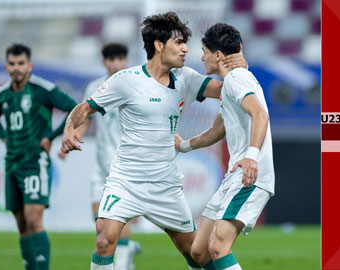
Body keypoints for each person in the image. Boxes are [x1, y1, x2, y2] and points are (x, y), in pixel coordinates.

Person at [60, 12, 246, 270]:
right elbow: (86, 108)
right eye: (179, 42)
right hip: (125, 181)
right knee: (104, 240)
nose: (184, 49)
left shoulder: (186, 79)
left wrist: (237, 72)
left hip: (165, 185)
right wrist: (70, 128)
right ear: (159, 45)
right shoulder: (127, 81)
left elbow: (226, 89)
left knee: (195, 254)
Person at [175, 23, 275, 270]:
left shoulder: (236, 79)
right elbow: (216, 131)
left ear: (218, 55)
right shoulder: (232, 84)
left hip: (250, 175)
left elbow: (260, 115)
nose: (201, 57)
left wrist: (252, 156)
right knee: (198, 252)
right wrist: (183, 145)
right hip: (235, 176)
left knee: (218, 246)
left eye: (204, 50)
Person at [0, 44, 77, 270]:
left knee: (34, 220)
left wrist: (51, 137)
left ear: (30, 66)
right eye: (12, 64)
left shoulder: (42, 90)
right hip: (12, 165)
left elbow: (72, 108)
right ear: (6, 66)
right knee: (21, 224)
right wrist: (3, 136)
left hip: (35, 162)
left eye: (21, 64)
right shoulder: (2, 95)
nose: (16, 68)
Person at [59, 42, 141, 270]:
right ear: (104, 62)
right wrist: (72, 138)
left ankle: (124, 263)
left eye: (120, 59)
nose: (116, 64)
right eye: (111, 59)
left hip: (126, 166)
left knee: (119, 218)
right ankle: (128, 250)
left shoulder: (136, 85)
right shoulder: (95, 87)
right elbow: (86, 119)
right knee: (100, 225)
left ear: (126, 60)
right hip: (101, 166)